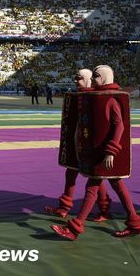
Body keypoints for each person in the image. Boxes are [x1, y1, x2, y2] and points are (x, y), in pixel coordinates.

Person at [52, 65, 140, 241]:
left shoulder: (110, 98)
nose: (93, 79)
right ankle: (134, 222)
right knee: (116, 186)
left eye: (96, 76)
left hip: (106, 154)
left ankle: (75, 228)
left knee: (93, 188)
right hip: (102, 152)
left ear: (105, 77)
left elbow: (119, 126)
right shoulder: (98, 97)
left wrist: (111, 151)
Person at [45, 69, 112, 220]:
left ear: (88, 79)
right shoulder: (77, 96)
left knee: (95, 177)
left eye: (79, 78)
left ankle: (104, 209)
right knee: (71, 173)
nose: (75, 81)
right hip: (76, 142)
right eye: (75, 78)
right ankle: (65, 207)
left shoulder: (94, 97)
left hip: (88, 145)